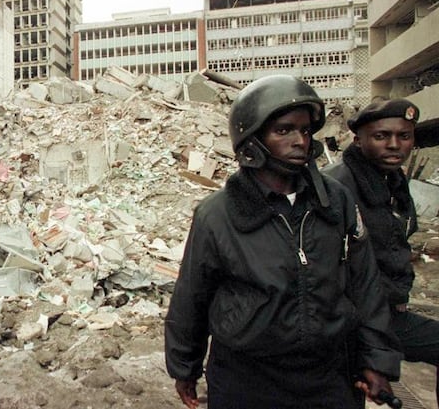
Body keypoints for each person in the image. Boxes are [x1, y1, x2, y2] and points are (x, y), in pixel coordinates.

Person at [164, 75, 402, 409]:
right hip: (246, 379)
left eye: (305, 130)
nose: (300, 141)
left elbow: (365, 285)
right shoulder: (217, 215)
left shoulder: (336, 201)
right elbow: (192, 295)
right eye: (284, 130)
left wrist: (377, 360)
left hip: (328, 377)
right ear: (252, 138)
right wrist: (184, 367)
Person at [324, 98, 439, 407]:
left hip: (387, 311)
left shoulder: (392, 181)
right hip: (356, 318)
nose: (394, 145)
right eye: (381, 136)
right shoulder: (339, 185)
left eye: (404, 136)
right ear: (358, 139)